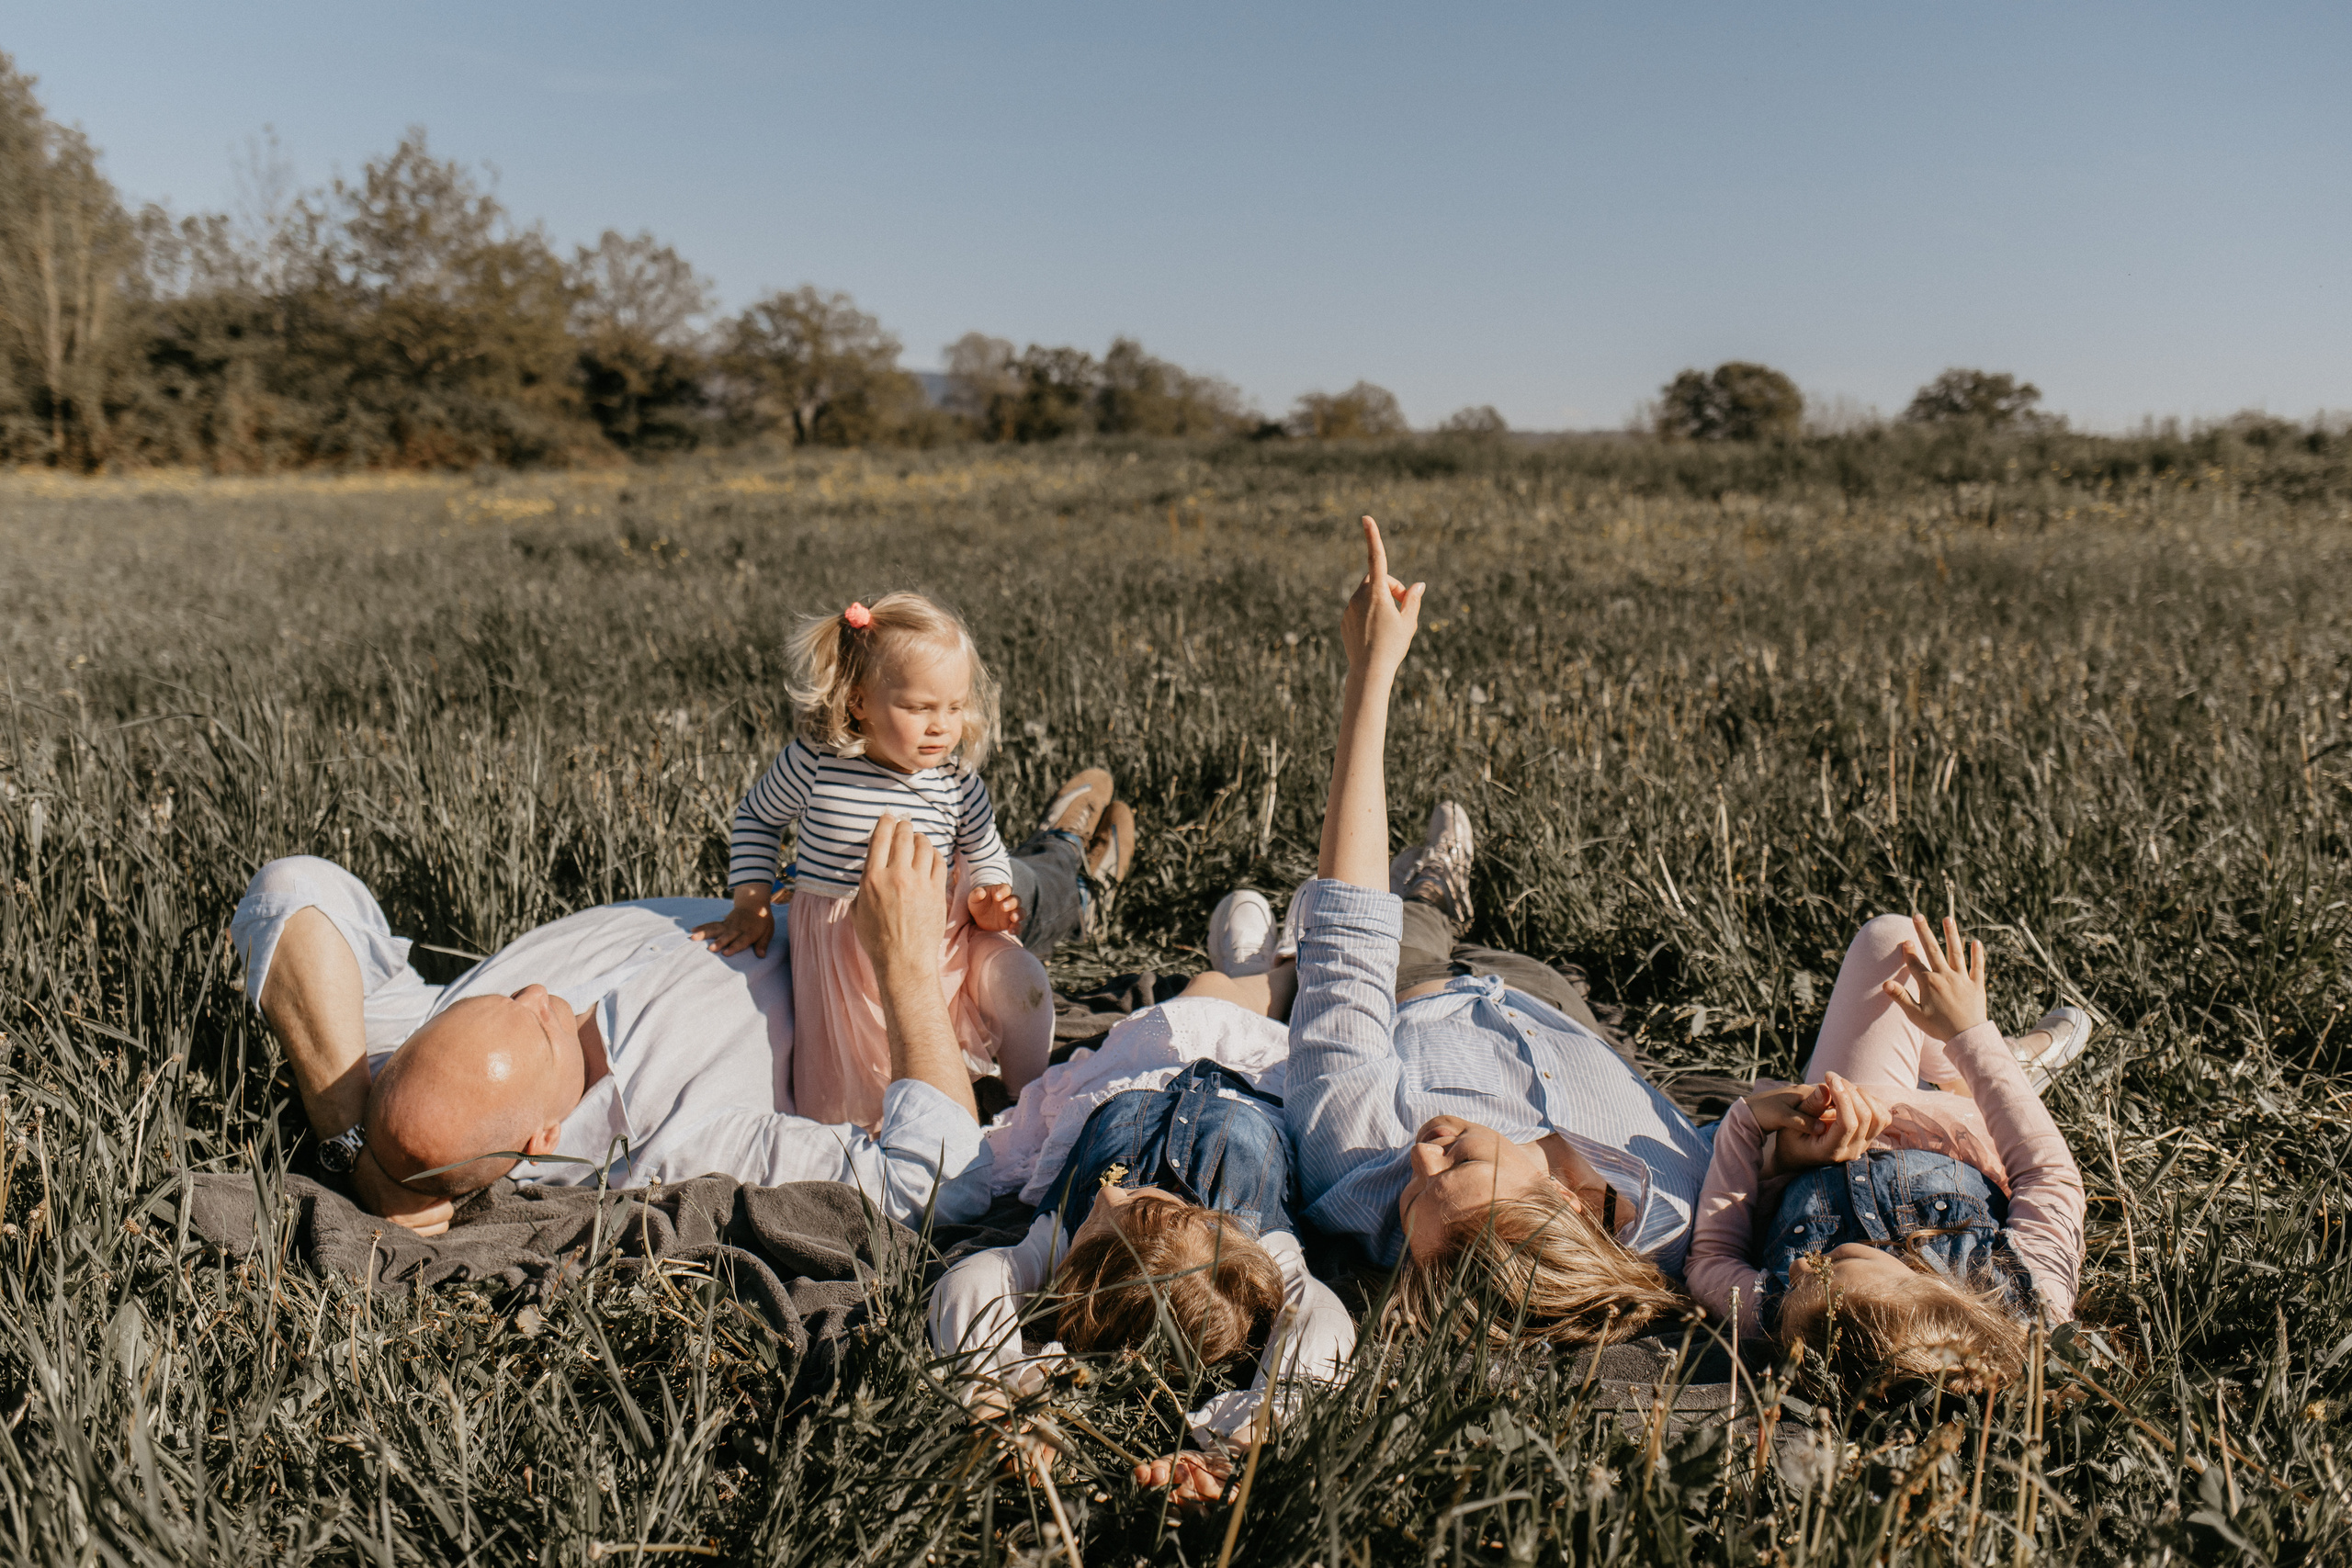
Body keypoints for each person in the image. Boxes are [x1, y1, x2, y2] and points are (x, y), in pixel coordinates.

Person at [1281, 517, 1716, 1346]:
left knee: (1389, 926)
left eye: (1411, 1201)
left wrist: (1371, 674)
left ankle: (1411, 903)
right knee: (1526, 964)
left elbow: (1349, 938)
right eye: (1460, 1167)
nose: (1421, 1157)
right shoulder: (1684, 1206)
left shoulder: (1357, 1164)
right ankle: (1440, 891)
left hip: (1414, 992)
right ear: (1567, 1202)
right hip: (1555, 1006)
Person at [233, 816, 988, 1235]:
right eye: (537, 1028)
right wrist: (909, 965)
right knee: (1023, 906)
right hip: (917, 960)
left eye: (492, 997)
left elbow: (289, 891)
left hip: (818, 885)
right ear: (541, 1137)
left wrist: (352, 1143)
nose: (534, 989)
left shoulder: (434, 1048)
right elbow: (938, 1185)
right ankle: (1073, 859)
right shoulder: (681, 1139)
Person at [928, 965, 1355, 1501]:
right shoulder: (1250, 1245)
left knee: (1211, 983)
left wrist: (990, 1390)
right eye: (1155, 1210)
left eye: (1109, 1212)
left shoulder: (1066, 1241)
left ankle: (1267, 961)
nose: (1118, 1192)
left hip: (1144, 1056)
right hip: (1261, 1066)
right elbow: (1316, 1312)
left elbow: (981, 1273)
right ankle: (1286, 962)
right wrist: (1260, 1426)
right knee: (1249, 986)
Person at [695, 593, 1115, 1131]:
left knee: (1023, 981)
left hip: (942, 937)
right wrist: (750, 901)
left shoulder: (958, 783)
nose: (942, 726)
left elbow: (984, 852)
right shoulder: (816, 763)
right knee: (856, 1104)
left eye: (955, 707)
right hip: (846, 956)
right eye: (919, 708)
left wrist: (990, 894)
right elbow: (757, 818)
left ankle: (1022, 1106)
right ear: (858, 701)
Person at [1687, 913, 2090, 1394]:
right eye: (1826, 1265)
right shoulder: (2025, 1296)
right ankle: (1990, 1069)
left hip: (1826, 1133)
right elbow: (2048, 1175)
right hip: (1953, 1131)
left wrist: (1747, 1123)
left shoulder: (1789, 1316)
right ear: (1924, 1294)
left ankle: (1947, 1064)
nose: (1796, 1269)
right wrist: (1971, 1034)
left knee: (1889, 943)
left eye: (1795, 1281)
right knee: (1900, 948)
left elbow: (1710, 1259)